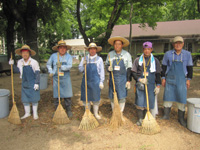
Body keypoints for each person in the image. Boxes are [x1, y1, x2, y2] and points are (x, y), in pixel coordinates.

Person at [161, 36, 193, 127]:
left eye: (180, 43)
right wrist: (163, 77)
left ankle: (181, 118)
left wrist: (189, 79)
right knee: (167, 97)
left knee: (181, 98)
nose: (178, 45)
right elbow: (163, 67)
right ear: (173, 44)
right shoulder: (168, 54)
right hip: (169, 79)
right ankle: (166, 115)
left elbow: (190, 68)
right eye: (176, 43)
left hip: (182, 80)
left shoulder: (187, 54)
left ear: (183, 44)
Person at [131, 42, 161, 126]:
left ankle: (147, 118)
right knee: (140, 101)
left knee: (149, 101)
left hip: (151, 85)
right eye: (145, 49)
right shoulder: (138, 60)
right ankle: (140, 118)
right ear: (143, 50)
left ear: (151, 49)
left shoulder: (155, 61)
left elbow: (158, 74)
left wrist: (158, 85)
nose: (147, 51)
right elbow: (133, 72)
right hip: (140, 84)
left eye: (149, 49)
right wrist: (139, 79)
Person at [9, 45, 40, 120]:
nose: (25, 54)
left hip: (33, 82)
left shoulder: (34, 62)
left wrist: (37, 83)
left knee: (34, 98)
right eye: (23, 53)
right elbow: (17, 71)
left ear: (29, 53)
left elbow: (37, 73)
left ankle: (35, 114)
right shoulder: (20, 62)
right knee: (25, 98)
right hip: (24, 82)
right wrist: (12, 65)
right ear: (21, 54)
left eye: (26, 52)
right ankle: (27, 113)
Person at [105, 36, 132, 116]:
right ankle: (114, 113)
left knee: (122, 97)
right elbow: (106, 65)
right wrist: (108, 68)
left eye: (119, 44)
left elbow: (129, 68)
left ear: (122, 45)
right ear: (113, 45)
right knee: (113, 96)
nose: (117, 46)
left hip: (122, 79)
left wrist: (128, 80)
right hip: (113, 79)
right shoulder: (110, 54)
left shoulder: (127, 55)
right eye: (115, 44)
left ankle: (120, 113)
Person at [46, 40, 73, 118]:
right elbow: (48, 64)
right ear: (58, 48)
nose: (62, 49)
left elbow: (69, 66)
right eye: (60, 48)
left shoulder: (69, 56)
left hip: (66, 78)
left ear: (66, 49)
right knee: (57, 95)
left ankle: (68, 110)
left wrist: (62, 67)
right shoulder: (53, 56)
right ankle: (57, 109)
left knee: (67, 95)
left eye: (64, 48)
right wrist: (51, 71)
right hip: (56, 78)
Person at [79, 43, 105, 119]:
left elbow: (102, 71)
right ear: (89, 50)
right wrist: (83, 65)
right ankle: (87, 113)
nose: (92, 50)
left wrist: (101, 81)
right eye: (91, 49)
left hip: (95, 82)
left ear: (96, 50)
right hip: (86, 81)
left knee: (95, 98)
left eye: (94, 49)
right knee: (86, 98)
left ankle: (96, 113)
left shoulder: (99, 59)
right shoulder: (84, 58)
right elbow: (80, 69)